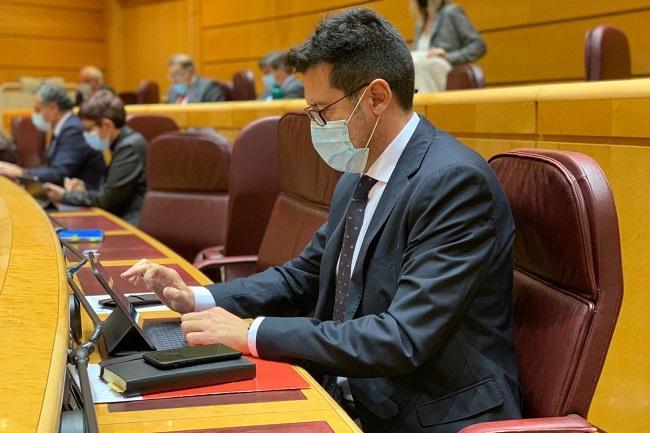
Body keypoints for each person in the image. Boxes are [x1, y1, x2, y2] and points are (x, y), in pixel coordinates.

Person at [122, 8, 521, 433]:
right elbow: (304, 277)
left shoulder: (452, 182)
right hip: (351, 393)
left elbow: (402, 338)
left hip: (429, 413)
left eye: (321, 110)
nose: (316, 125)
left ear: (377, 97)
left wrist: (250, 333)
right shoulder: (358, 176)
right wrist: (199, 298)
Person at [43, 91, 147, 225]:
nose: (85, 135)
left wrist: (64, 195)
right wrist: (83, 189)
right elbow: (111, 192)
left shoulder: (130, 147)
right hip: (118, 216)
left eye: (88, 129)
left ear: (107, 125)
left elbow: (107, 200)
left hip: (130, 224)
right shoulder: (122, 142)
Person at [0, 83, 105, 189]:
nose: (34, 114)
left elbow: (59, 173)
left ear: (53, 108)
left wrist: (21, 172)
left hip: (84, 197)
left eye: (37, 110)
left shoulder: (73, 129)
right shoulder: (63, 127)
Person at [411, 0, 486, 92]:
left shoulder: (451, 12)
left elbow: (478, 45)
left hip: (440, 68)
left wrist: (448, 57)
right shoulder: (420, 24)